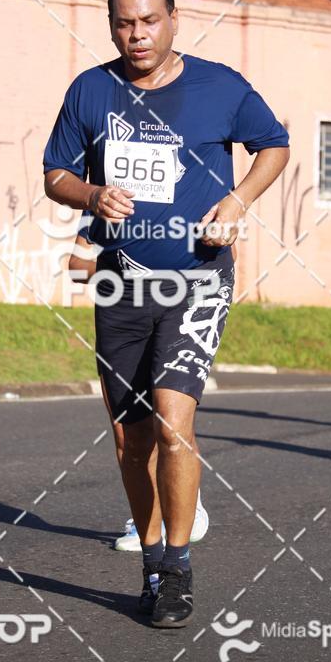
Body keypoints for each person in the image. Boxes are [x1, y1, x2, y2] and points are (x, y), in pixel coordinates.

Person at [43, 0, 290, 628]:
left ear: (174, 20)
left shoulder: (220, 87)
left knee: (176, 424)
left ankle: (178, 568)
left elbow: (274, 145)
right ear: (111, 27)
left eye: (150, 20)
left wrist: (237, 201)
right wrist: (92, 195)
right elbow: (55, 173)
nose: (138, 34)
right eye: (125, 23)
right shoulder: (91, 90)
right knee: (133, 440)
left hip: (198, 278)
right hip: (121, 281)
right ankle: (152, 560)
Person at [68, 226, 210, 551]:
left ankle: (185, 503)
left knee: (170, 422)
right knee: (128, 435)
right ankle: (147, 523)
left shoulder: (186, 204)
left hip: (177, 311)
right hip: (123, 314)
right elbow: (77, 265)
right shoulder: (102, 205)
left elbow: (222, 259)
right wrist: (125, 275)